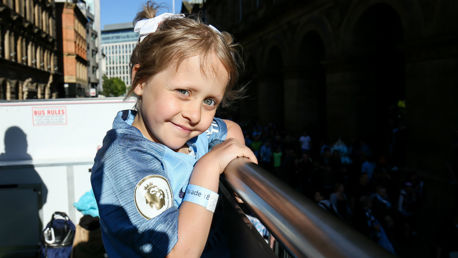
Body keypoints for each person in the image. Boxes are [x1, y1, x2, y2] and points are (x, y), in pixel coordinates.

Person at [90, 2, 257, 257]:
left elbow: (230, 129)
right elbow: (178, 253)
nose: (194, 115)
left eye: (209, 101)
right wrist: (208, 168)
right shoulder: (125, 158)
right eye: (184, 92)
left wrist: (238, 171)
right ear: (141, 81)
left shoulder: (187, 131)